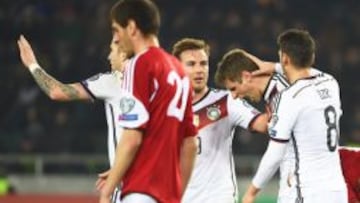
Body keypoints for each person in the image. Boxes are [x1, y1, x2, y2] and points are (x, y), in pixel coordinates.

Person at [218, 29, 347, 203]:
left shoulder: (287, 97)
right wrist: (275, 66)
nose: (233, 96)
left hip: (305, 190)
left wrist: (251, 193)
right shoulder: (330, 82)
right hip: (337, 189)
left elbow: (275, 153)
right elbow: (308, 71)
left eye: (233, 88)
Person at [100, 1, 198, 203]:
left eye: (116, 30)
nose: (116, 38)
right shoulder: (179, 71)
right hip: (167, 194)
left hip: (141, 189)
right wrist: (176, 196)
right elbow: (190, 145)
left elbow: (132, 137)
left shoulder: (140, 64)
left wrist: (107, 191)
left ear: (132, 27)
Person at [17, 35, 127, 203]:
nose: (108, 56)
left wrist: (32, 65)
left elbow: (57, 92)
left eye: (112, 51)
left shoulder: (113, 81)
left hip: (126, 187)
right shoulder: (154, 84)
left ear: (124, 54)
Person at [171, 38, 268, 203]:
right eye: (191, 64)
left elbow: (263, 124)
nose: (199, 70)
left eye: (203, 63)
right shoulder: (166, 107)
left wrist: (275, 92)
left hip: (217, 197)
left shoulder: (226, 101)